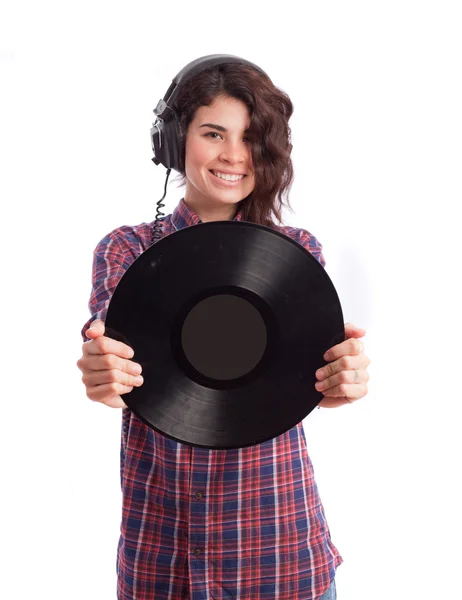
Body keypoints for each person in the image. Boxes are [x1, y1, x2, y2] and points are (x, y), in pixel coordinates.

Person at [77, 56, 370, 600]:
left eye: (250, 138)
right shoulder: (127, 249)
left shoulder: (297, 252)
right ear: (174, 141)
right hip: (164, 565)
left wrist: (336, 383)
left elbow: (297, 384)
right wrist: (105, 372)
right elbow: (113, 357)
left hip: (282, 557)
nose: (234, 155)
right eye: (214, 133)